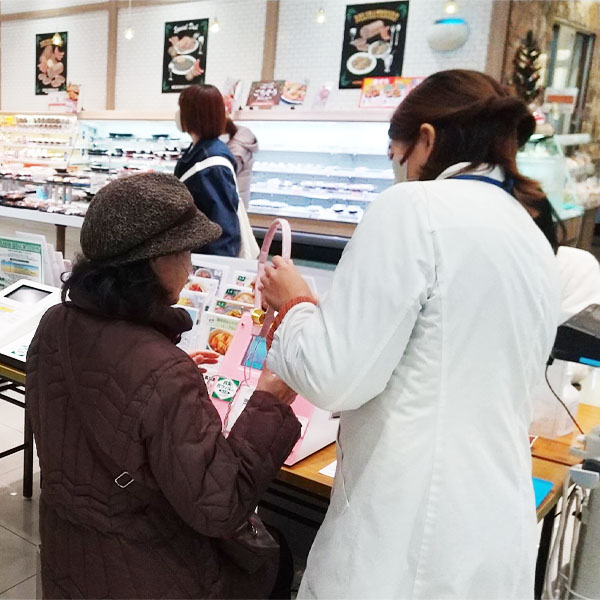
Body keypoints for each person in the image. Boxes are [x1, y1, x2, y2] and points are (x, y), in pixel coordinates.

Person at [259, 70, 561, 599]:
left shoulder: (413, 209)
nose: (396, 170)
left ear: (425, 139)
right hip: (495, 517)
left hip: (407, 525)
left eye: (394, 154)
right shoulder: (528, 230)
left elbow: (334, 378)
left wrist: (294, 305)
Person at [26, 172, 301, 599]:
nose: (191, 268)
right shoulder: (161, 370)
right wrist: (270, 402)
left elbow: (96, 402)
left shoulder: (54, 324)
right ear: (153, 261)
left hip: (71, 561)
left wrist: (161, 377)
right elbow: (220, 504)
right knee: (277, 558)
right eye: (184, 252)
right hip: (155, 574)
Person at [174, 85, 241, 256]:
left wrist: (214, 267)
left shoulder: (213, 163)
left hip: (205, 256)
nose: (178, 114)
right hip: (193, 247)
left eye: (181, 108)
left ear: (193, 114)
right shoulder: (200, 149)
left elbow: (221, 225)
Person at [223, 117, 258, 209]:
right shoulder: (242, 138)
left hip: (233, 203)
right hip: (239, 200)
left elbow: (225, 178)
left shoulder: (236, 150)